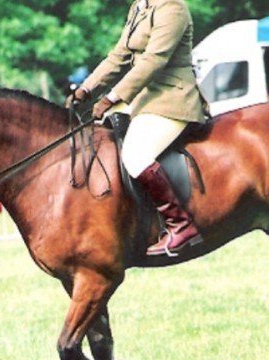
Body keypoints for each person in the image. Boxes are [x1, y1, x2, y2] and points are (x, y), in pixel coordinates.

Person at [67, 0, 207, 256]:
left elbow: (154, 61)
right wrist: (86, 88)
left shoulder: (172, 8)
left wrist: (112, 97)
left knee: (135, 156)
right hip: (145, 98)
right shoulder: (140, 7)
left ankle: (181, 224)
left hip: (172, 99)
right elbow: (119, 55)